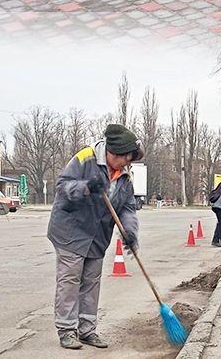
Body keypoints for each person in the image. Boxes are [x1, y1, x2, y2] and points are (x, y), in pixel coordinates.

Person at [47, 124, 143, 350]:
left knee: (91, 281)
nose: (127, 162)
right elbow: (63, 188)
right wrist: (87, 186)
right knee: (70, 280)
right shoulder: (85, 158)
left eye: (130, 158)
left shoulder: (125, 176)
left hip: (98, 235)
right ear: (112, 153)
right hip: (71, 230)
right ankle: (67, 330)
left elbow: (127, 209)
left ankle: (87, 330)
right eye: (125, 158)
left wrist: (130, 232)